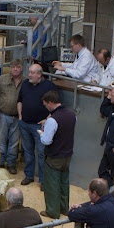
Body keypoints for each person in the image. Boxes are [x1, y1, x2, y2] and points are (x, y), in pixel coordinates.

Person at [17, 63, 57, 187]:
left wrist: (47, 119)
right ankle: (29, 175)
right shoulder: (25, 84)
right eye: (29, 72)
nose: (29, 75)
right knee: (28, 151)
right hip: (24, 124)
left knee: (41, 153)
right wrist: (20, 116)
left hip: (40, 126)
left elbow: (56, 106)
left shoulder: (50, 86)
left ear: (39, 74)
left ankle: (43, 180)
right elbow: (20, 100)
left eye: (32, 73)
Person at [38, 90, 76, 219]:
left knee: (52, 185)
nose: (45, 107)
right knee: (64, 183)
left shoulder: (53, 119)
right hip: (67, 155)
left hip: (54, 156)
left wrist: (41, 133)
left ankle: (53, 211)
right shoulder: (72, 114)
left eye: (45, 104)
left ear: (50, 103)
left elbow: (47, 140)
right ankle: (64, 208)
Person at [0, 59, 24, 174]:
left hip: (17, 116)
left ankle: (11, 163)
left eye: (18, 67)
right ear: (10, 67)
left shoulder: (26, 82)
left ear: (22, 68)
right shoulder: (2, 79)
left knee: (14, 142)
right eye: (13, 66)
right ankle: (0, 162)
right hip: (3, 114)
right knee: (1, 140)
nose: (15, 69)